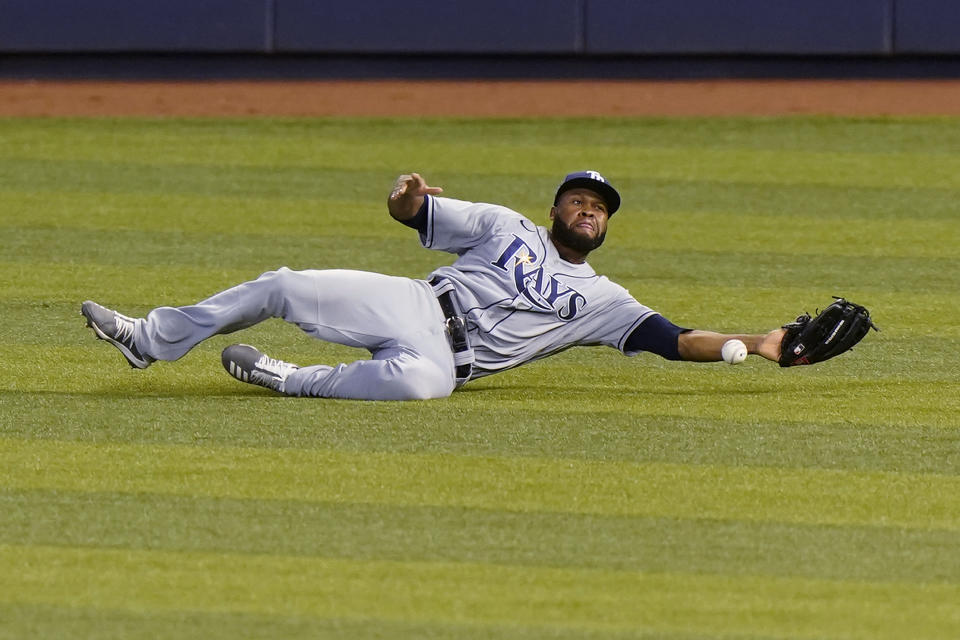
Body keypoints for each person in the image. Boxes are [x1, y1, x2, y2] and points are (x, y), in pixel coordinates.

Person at [81, 170, 785, 401]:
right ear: (555, 209)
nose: (588, 210)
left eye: (599, 208)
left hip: (450, 360)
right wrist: (404, 198)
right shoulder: (504, 224)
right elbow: (412, 211)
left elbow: (676, 340)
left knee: (423, 386)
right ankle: (150, 339)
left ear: (606, 226)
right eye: (577, 199)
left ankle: (288, 378)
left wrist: (758, 343)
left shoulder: (604, 302)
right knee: (284, 283)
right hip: (417, 301)